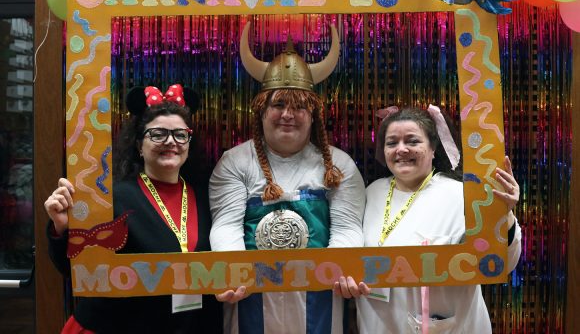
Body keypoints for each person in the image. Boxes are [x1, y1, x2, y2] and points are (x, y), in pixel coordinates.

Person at [208, 22, 366, 333]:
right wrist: (234, 274)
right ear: (261, 110)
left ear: (313, 114)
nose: (288, 115)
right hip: (250, 299)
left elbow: (347, 229)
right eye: (278, 104)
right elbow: (226, 225)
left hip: (320, 299)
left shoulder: (339, 165)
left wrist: (336, 271)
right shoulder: (234, 162)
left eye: (299, 107)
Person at [44, 84, 222, 334]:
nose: (171, 141)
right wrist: (62, 228)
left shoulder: (207, 197)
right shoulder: (111, 198)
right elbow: (77, 270)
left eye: (180, 134)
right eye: (158, 134)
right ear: (139, 145)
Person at [334, 106, 522, 334]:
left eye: (412, 141)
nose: (401, 149)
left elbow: (503, 263)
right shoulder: (371, 193)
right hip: (377, 324)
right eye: (392, 143)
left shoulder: (463, 196)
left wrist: (502, 213)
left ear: (433, 148)